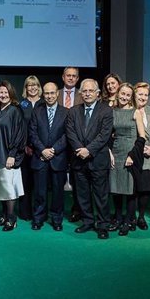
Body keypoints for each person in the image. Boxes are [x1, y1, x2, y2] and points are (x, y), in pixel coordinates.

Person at [66, 79, 114, 239]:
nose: (87, 94)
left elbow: (104, 135)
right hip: (78, 160)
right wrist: (81, 149)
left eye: (90, 91)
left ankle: (103, 225)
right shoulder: (73, 111)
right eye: (84, 91)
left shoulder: (106, 111)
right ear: (80, 93)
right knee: (82, 194)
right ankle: (87, 221)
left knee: (101, 195)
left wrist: (89, 150)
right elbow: (70, 133)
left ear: (98, 93)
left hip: (98, 160)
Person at [29, 82, 69, 231]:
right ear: (43, 94)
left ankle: (57, 219)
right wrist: (42, 150)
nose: (49, 96)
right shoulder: (37, 111)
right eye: (46, 93)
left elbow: (67, 135)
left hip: (58, 158)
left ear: (57, 94)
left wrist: (53, 149)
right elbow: (32, 133)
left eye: (52, 93)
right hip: (40, 158)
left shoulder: (66, 112)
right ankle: (38, 218)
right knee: (39, 191)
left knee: (58, 192)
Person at [109, 83, 146, 236]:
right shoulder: (112, 112)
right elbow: (108, 136)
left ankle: (128, 221)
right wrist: (109, 152)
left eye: (128, 95)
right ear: (118, 94)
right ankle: (117, 219)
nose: (124, 97)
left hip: (131, 154)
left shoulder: (135, 112)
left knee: (130, 190)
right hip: (116, 153)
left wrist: (132, 155)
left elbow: (142, 137)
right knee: (116, 189)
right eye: (122, 93)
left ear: (131, 97)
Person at [0, 80, 26, 231]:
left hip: (8, 156)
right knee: (1, 188)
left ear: (10, 93)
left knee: (9, 188)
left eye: (6, 92)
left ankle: (11, 218)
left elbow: (20, 135)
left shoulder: (15, 111)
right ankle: (4, 215)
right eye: (0, 92)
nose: (3, 95)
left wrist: (12, 154)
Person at [130, 82, 150, 231]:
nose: (143, 97)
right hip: (133, 157)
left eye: (145, 94)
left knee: (145, 189)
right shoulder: (128, 111)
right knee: (133, 189)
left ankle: (141, 217)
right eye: (140, 94)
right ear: (134, 94)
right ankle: (130, 217)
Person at [57, 66, 83, 223]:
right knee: (57, 179)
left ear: (78, 78)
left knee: (77, 179)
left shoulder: (84, 94)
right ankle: (57, 210)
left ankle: (76, 210)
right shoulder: (55, 93)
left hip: (77, 143)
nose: (71, 78)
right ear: (63, 77)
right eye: (68, 75)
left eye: (74, 76)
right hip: (57, 142)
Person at [18, 75, 44, 221]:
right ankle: (25, 213)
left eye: (35, 85)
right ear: (26, 88)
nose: (32, 87)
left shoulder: (44, 103)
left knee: (40, 185)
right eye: (29, 85)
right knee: (25, 182)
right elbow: (20, 128)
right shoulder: (22, 105)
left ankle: (39, 212)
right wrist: (26, 145)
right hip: (26, 150)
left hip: (41, 149)